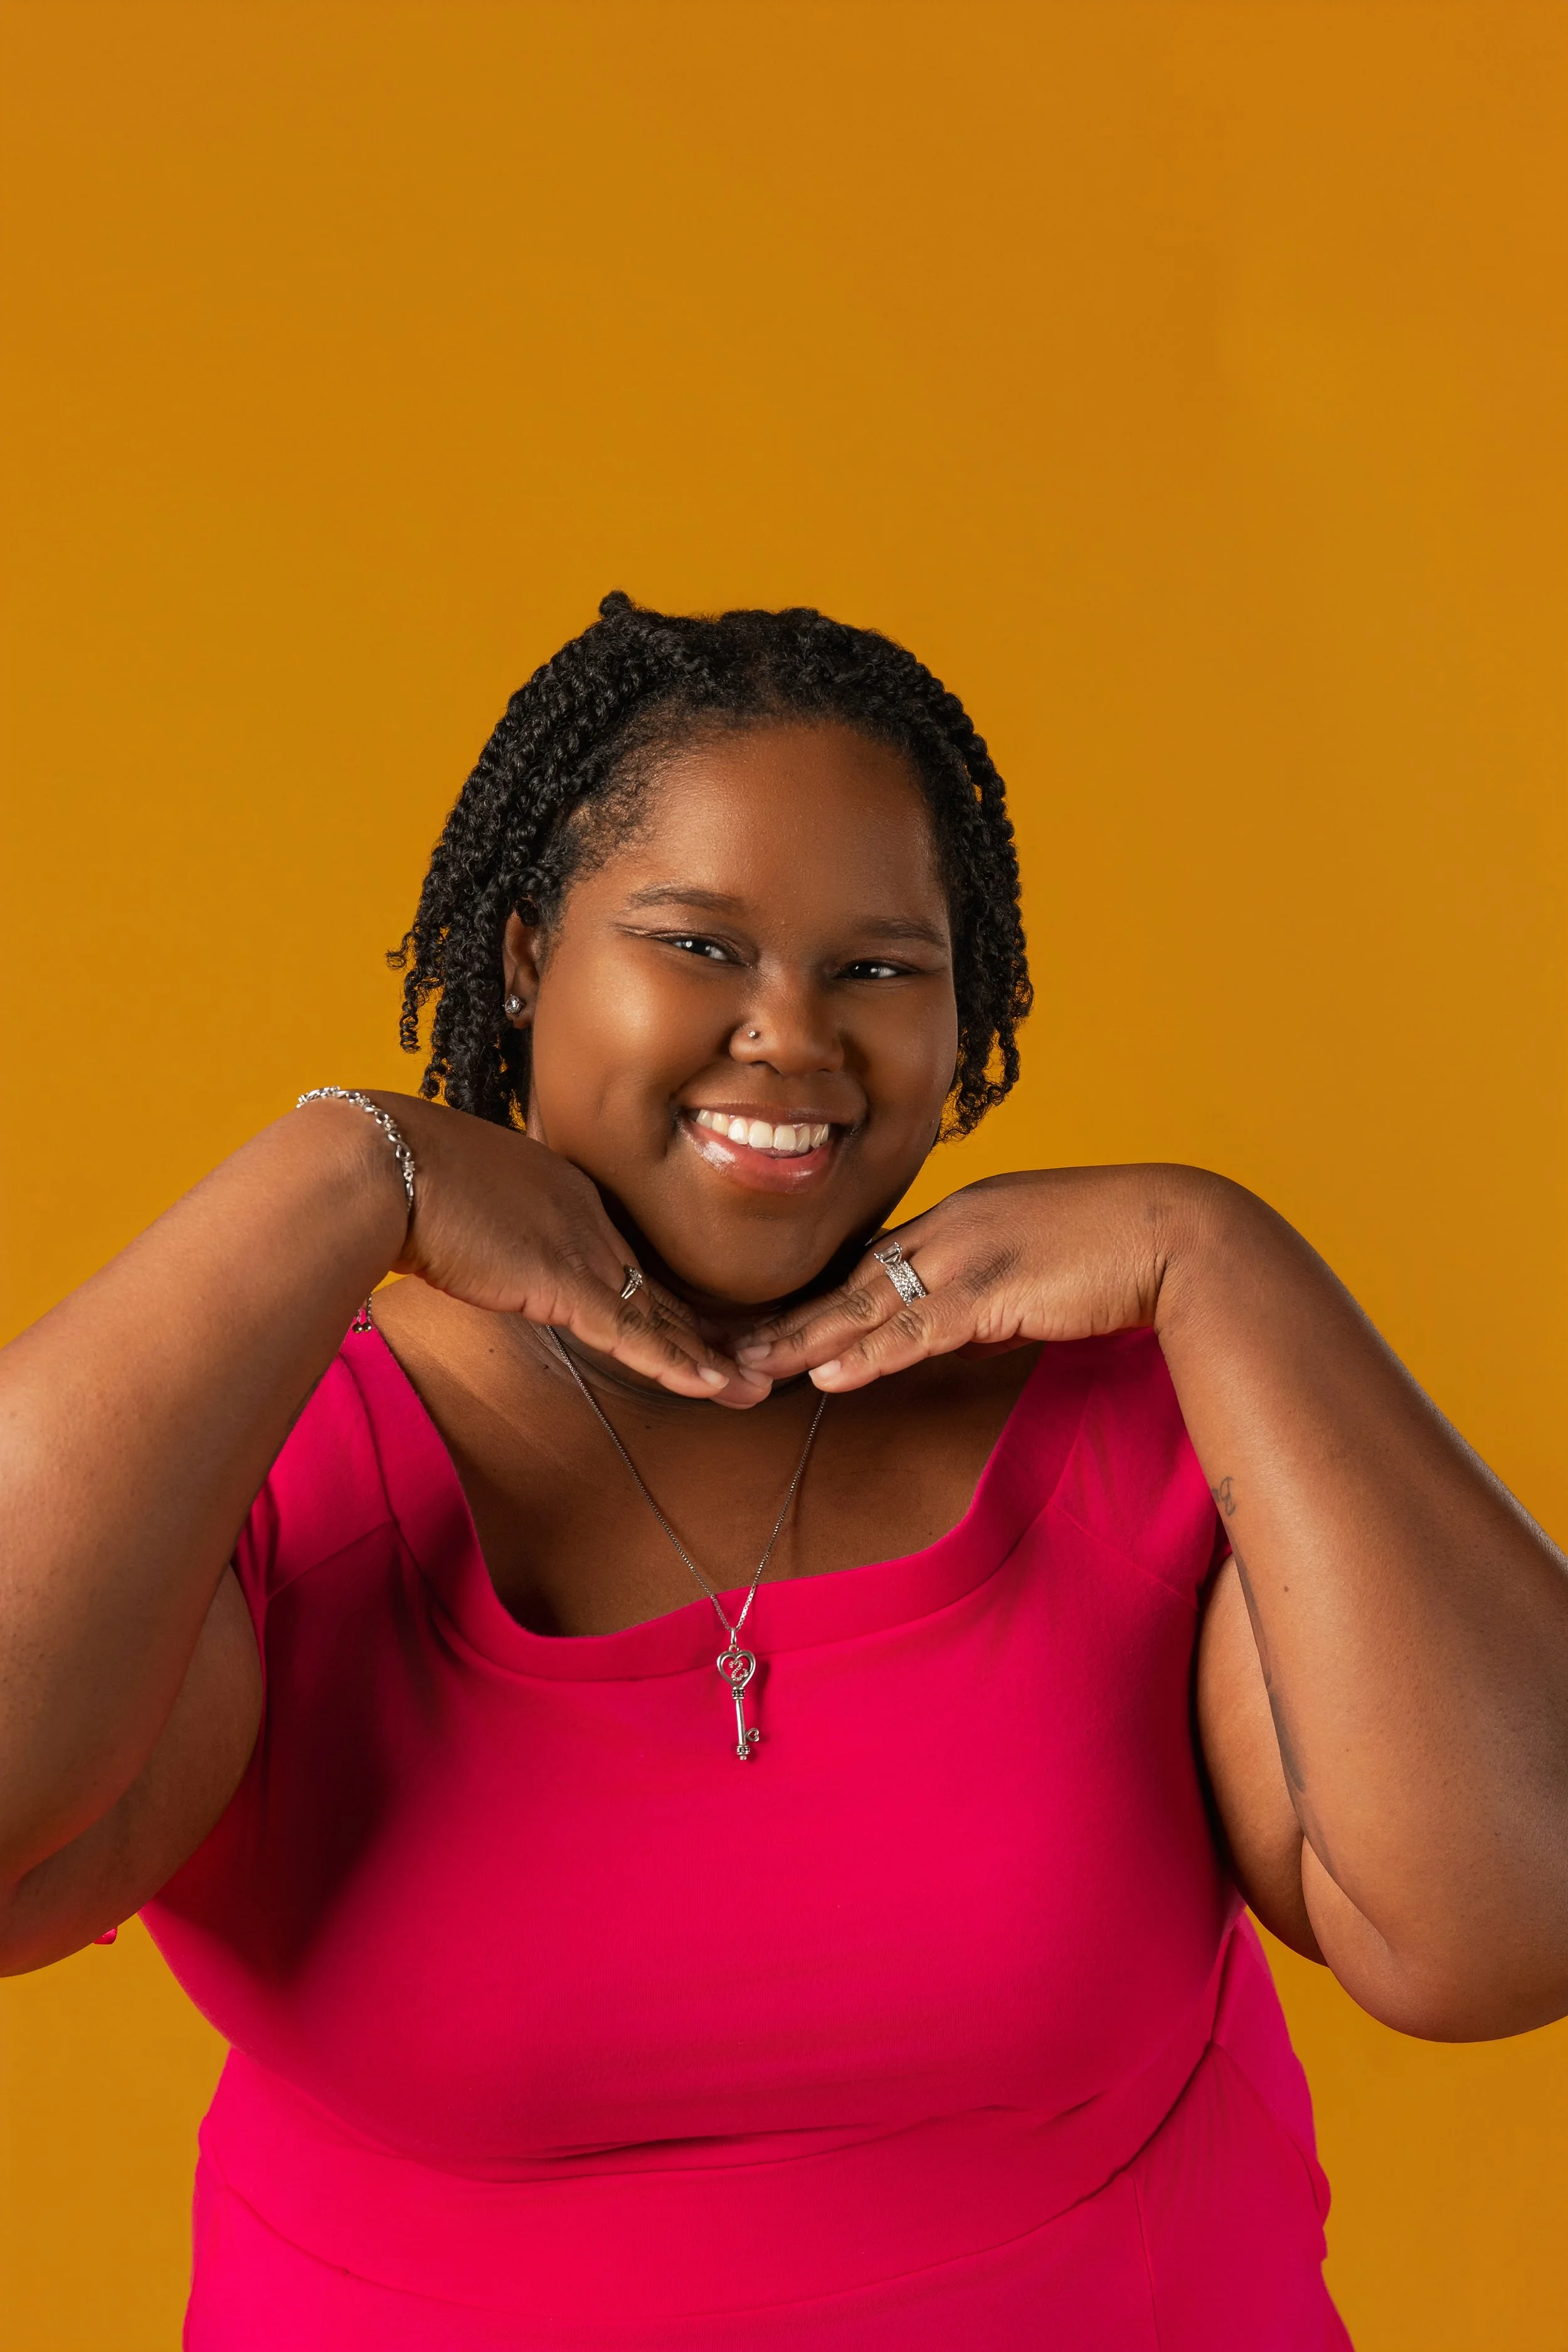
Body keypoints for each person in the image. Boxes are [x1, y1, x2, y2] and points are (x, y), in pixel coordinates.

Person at [2, 593, 1565, 2351]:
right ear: (521, 957)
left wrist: (1218, 1251)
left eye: (878, 968)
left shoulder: (1143, 1428)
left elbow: (1506, 1917)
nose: (792, 1038)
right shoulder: (275, 1465)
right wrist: (340, 1171)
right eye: (698, 946)